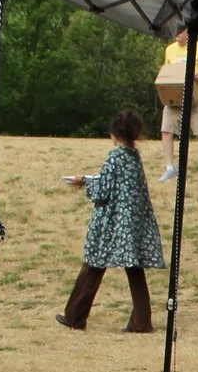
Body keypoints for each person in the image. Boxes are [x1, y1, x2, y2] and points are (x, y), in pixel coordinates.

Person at [57, 110, 165, 333]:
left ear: (115, 134)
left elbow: (102, 192)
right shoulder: (134, 157)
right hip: (133, 222)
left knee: (94, 264)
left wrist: (84, 182)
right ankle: (142, 322)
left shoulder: (115, 157)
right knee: (134, 270)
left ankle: (74, 316)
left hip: (113, 223)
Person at [155, 30, 198, 181]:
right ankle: (170, 168)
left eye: (180, 31)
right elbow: (167, 71)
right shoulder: (170, 50)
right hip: (174, 97)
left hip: (196, 97)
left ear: (188, 32)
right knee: (166, 131)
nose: (177, 34)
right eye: (175, 30)